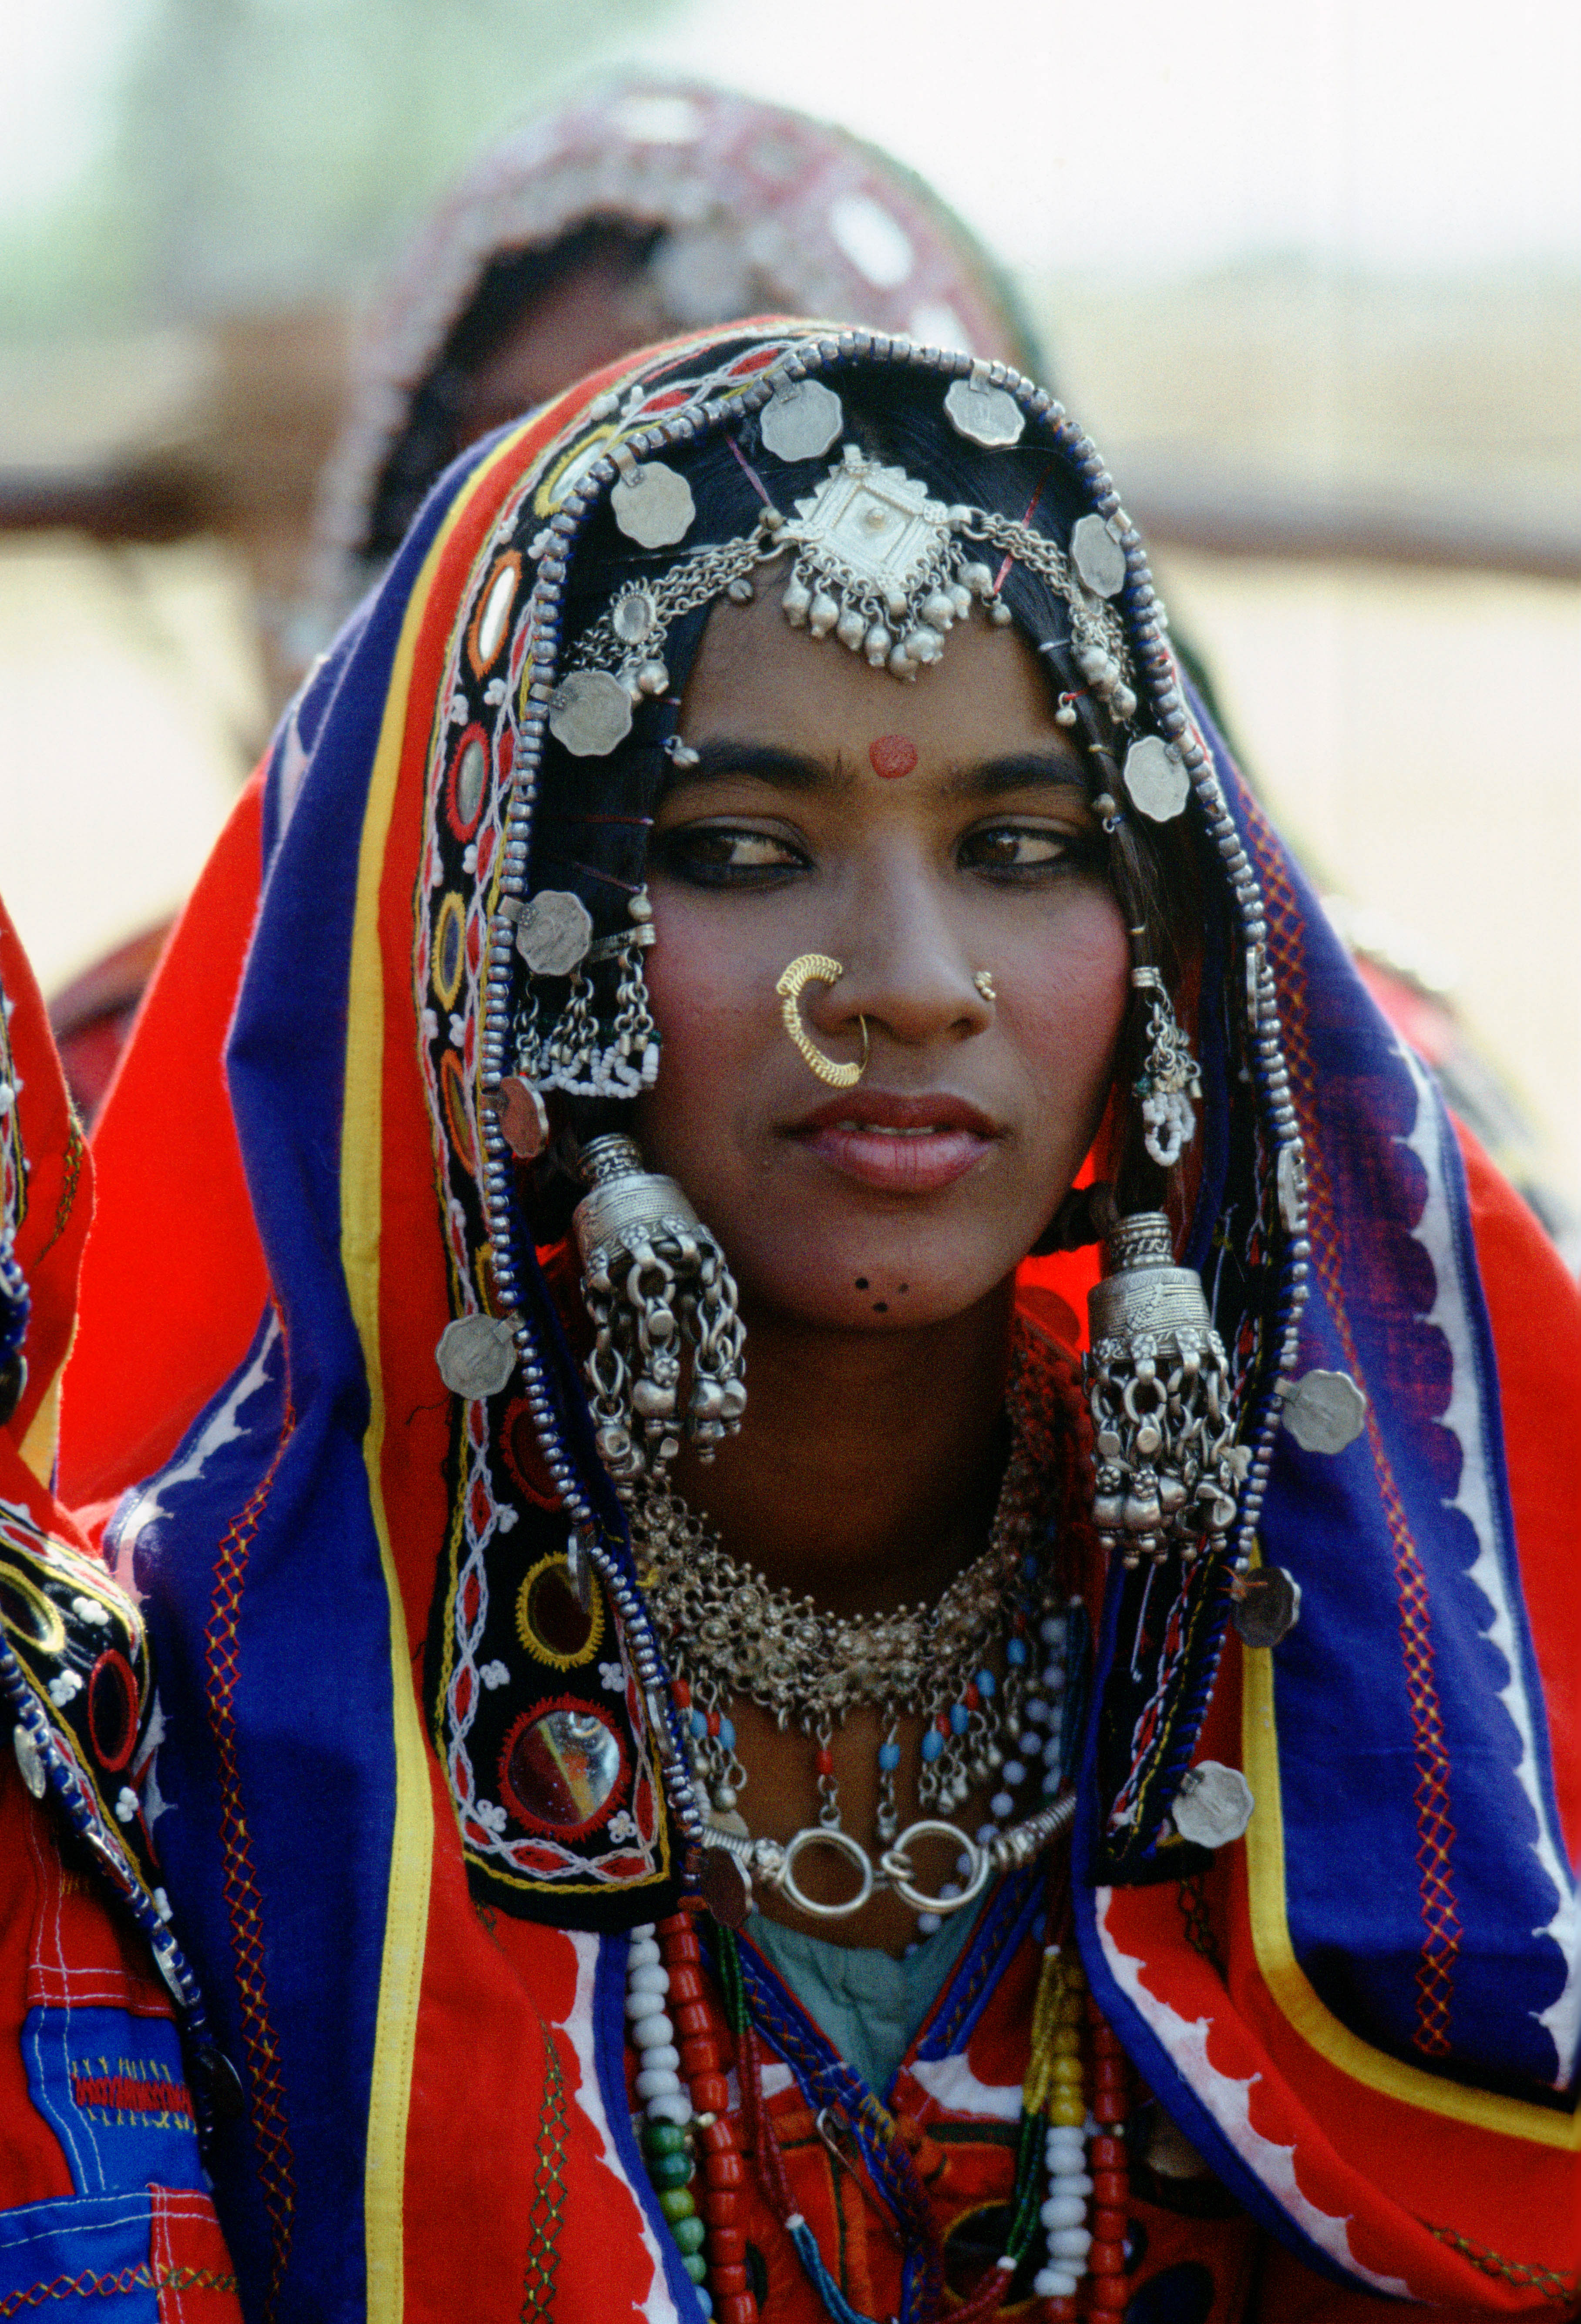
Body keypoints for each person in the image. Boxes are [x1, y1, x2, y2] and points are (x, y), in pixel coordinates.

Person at [8, 322, 1578, 2322]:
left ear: (1175, 949)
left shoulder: (1370, 1664)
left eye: (1026, 849)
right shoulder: (179, 1729)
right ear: (502, 935)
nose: (912, 985)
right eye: (735, 851)